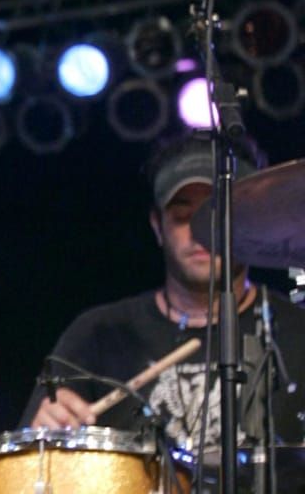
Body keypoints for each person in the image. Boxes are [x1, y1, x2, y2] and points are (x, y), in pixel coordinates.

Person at [22, 130, 305, 459]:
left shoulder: (297, 329)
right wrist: (39, 441)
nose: (200, 233)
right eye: (184, 217)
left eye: (215, 214)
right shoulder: (99, 335)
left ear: (252, 222)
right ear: (157, 226)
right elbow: (27, 471)